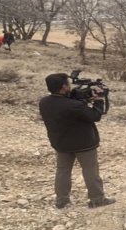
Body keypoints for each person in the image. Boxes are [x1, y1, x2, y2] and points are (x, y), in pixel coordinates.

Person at [39, 73, 115, 209]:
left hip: (61, 143)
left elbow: (66, 107)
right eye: (68, 84)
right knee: (90, 171)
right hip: (84, 144)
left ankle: (61, 201)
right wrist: (98, 99)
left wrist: (81, 99)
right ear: (64, 87)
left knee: (62, 171)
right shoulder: (74, 105)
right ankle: (97, 199)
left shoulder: (44, 103)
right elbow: (95, 115)